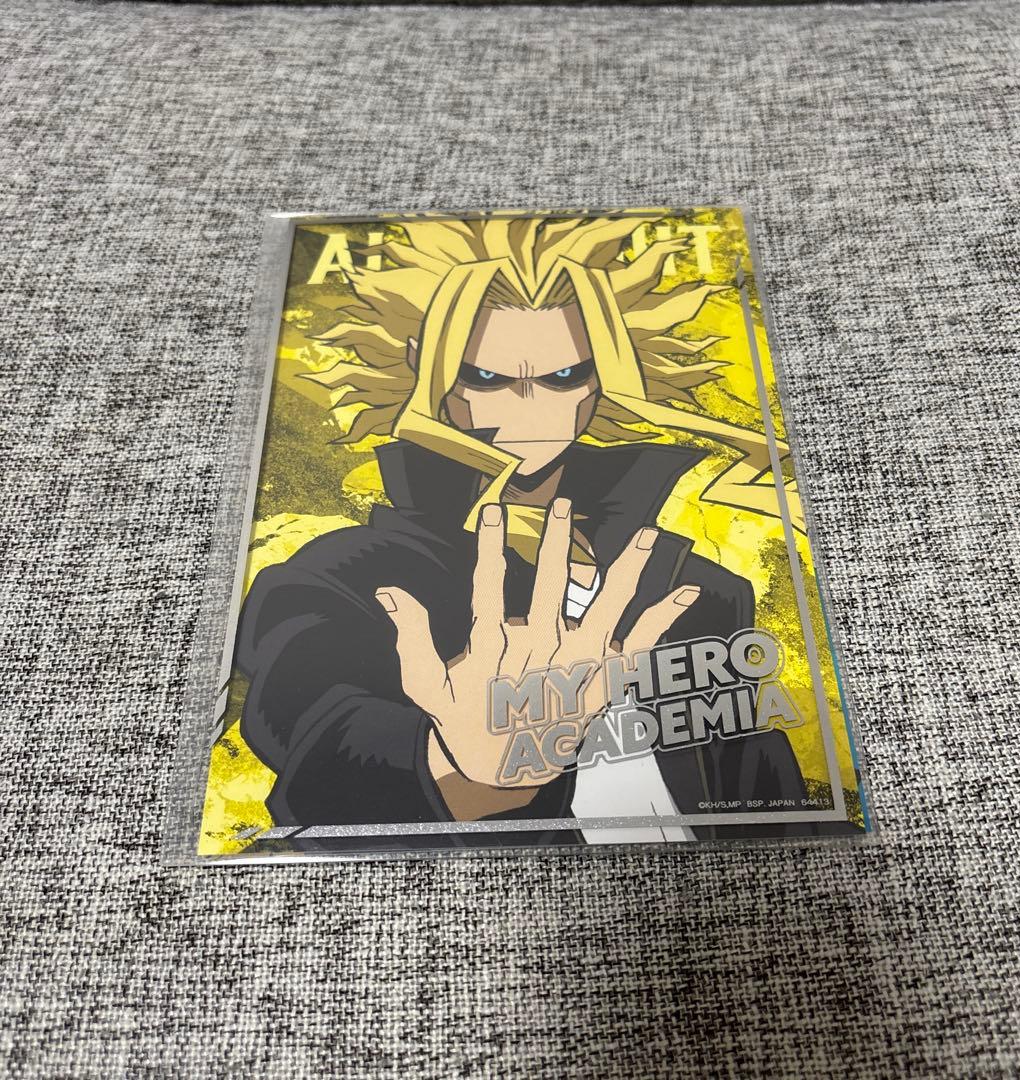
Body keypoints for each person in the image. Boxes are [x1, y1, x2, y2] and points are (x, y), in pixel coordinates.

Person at [236, 214, 820, 849]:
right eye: (486, 379)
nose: (529, 410)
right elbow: (308, 727)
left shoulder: (696, 589)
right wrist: (462, 772)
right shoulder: (349, 573)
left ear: (603, 378)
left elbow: (758, 785)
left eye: (563, 377)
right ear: (429, 370)